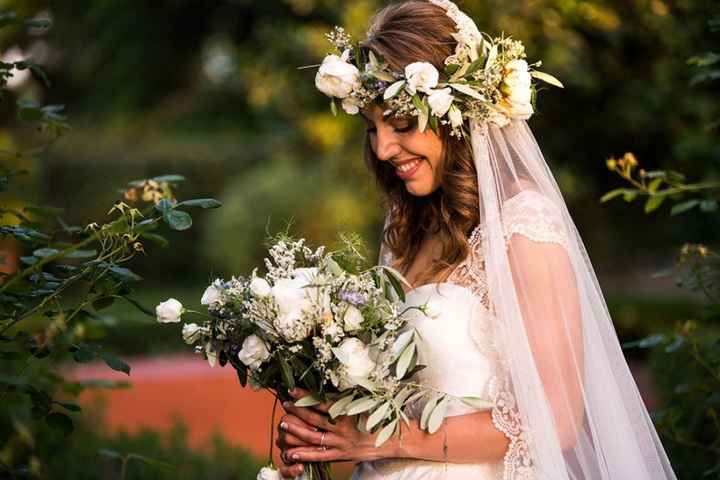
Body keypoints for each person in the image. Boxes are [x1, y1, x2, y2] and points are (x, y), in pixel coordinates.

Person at [275, 1, 678, 478]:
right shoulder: (404, 227)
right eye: (372, 128)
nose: (383, 149)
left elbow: (558, 421)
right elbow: (396, 398)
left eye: (401, 124)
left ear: (456, 114)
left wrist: (378, 438)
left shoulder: (523, 225)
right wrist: (325, 431)